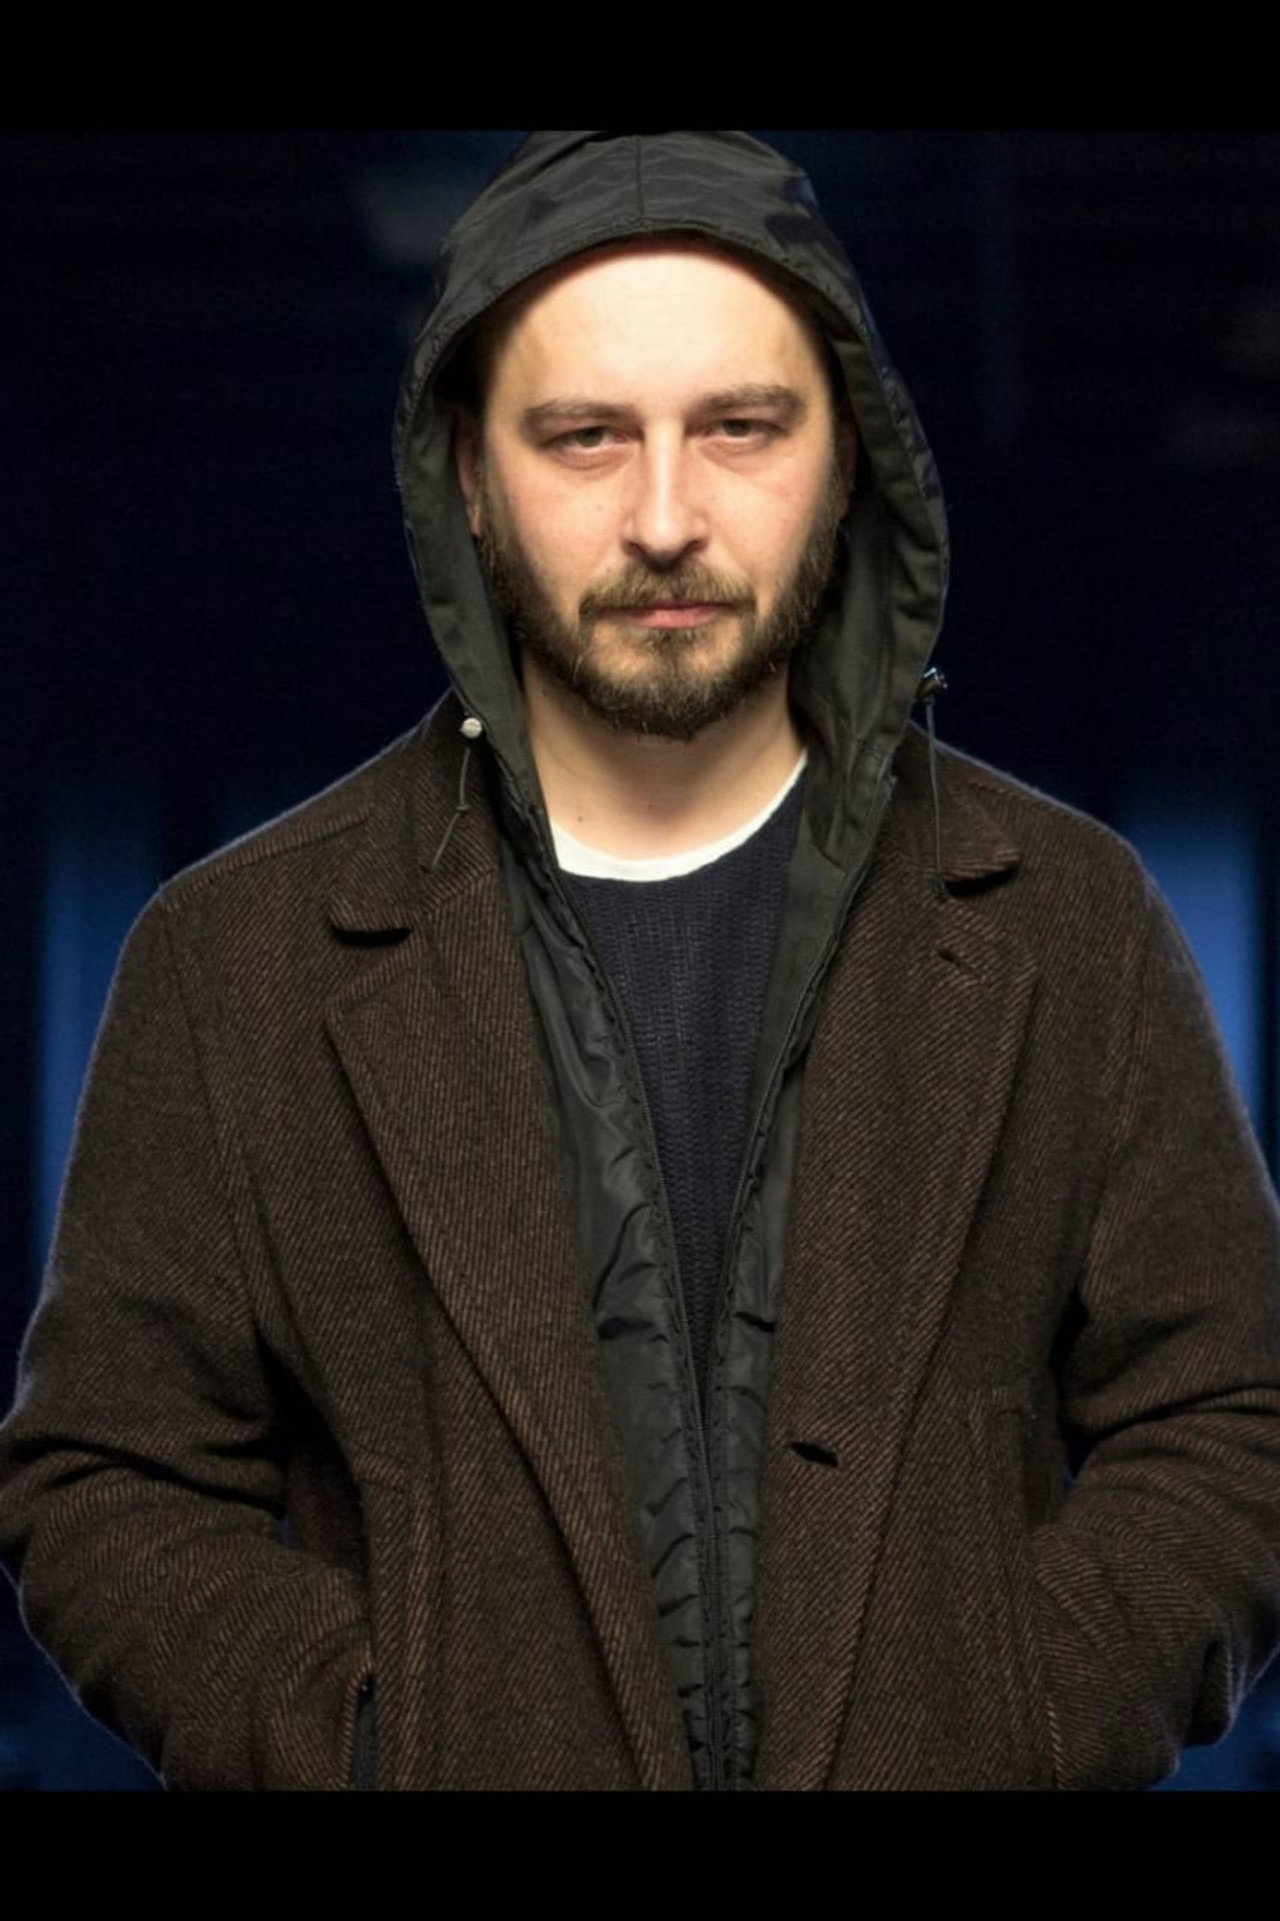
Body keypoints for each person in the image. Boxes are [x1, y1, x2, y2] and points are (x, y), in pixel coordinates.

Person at [2, 129, 1280, 1795]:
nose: (665, 518)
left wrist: (1017, 1714)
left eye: (741, 427)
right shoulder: (231, 964)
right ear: (470, 475)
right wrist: (373, 1742)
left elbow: (1235, 1419)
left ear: (847, 455)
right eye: (585, 435)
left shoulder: (1068, 921)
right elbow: (104, 1480)